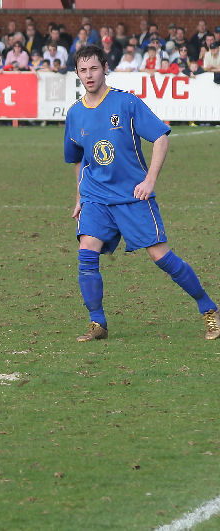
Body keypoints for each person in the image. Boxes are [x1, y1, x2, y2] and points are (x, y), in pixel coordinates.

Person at [64, 45, 219, 342]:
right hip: (96, 197)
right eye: (83, 70)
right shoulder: (75, 113)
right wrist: (80, 196)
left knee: (160, 256)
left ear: (104, 67)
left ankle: (209, 308)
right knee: (86, 254)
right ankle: (98, 323)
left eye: (93, 68)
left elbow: (160, 137)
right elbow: (79, 158)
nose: (89, 75)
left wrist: (150, 180)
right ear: (77, 74)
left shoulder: (126, 103)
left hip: (132, 195)